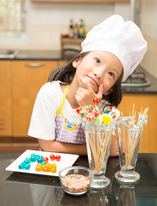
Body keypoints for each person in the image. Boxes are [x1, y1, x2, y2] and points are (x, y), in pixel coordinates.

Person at [28, 14, 147, 156]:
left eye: (111, 74)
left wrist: (90, 109)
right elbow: (47, 146)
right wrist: (97, 148)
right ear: (77, 61)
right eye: (97, 60)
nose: (99, 73)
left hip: (89, 175)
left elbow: (101, 149)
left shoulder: (104, 109)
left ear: (110, 89)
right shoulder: (49, 93)